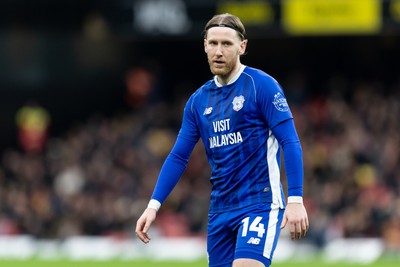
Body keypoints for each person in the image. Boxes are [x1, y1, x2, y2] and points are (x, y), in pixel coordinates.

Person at [136, 13, 309, 267]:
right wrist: (153, 206)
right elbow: (178, 156)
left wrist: (295, 199)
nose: (219, 51)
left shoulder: (262, 86)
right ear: (204, 45)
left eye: (227, 44)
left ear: (242, 46)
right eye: (213, 43)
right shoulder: (198, 101)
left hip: (259, 204)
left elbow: (290, 142)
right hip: (220, 210)